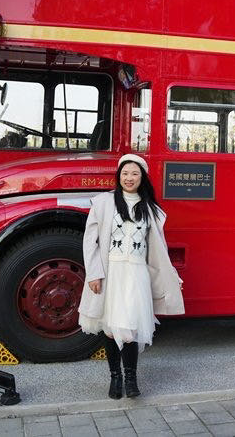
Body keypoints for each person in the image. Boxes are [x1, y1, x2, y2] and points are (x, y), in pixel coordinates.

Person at [78, 154, 184, 399]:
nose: (129, 178)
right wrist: (94, 273)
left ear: (142, 177)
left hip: (136, 275)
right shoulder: (103, 203)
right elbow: (89, 242)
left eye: (135, 173)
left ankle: (131, 379)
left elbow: (159, 251)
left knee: (130, 331)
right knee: (110, 329)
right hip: (109, 273)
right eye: (125, 173)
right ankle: (115, 379)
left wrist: (172, 276)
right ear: (119, 175)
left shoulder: (151, 210)